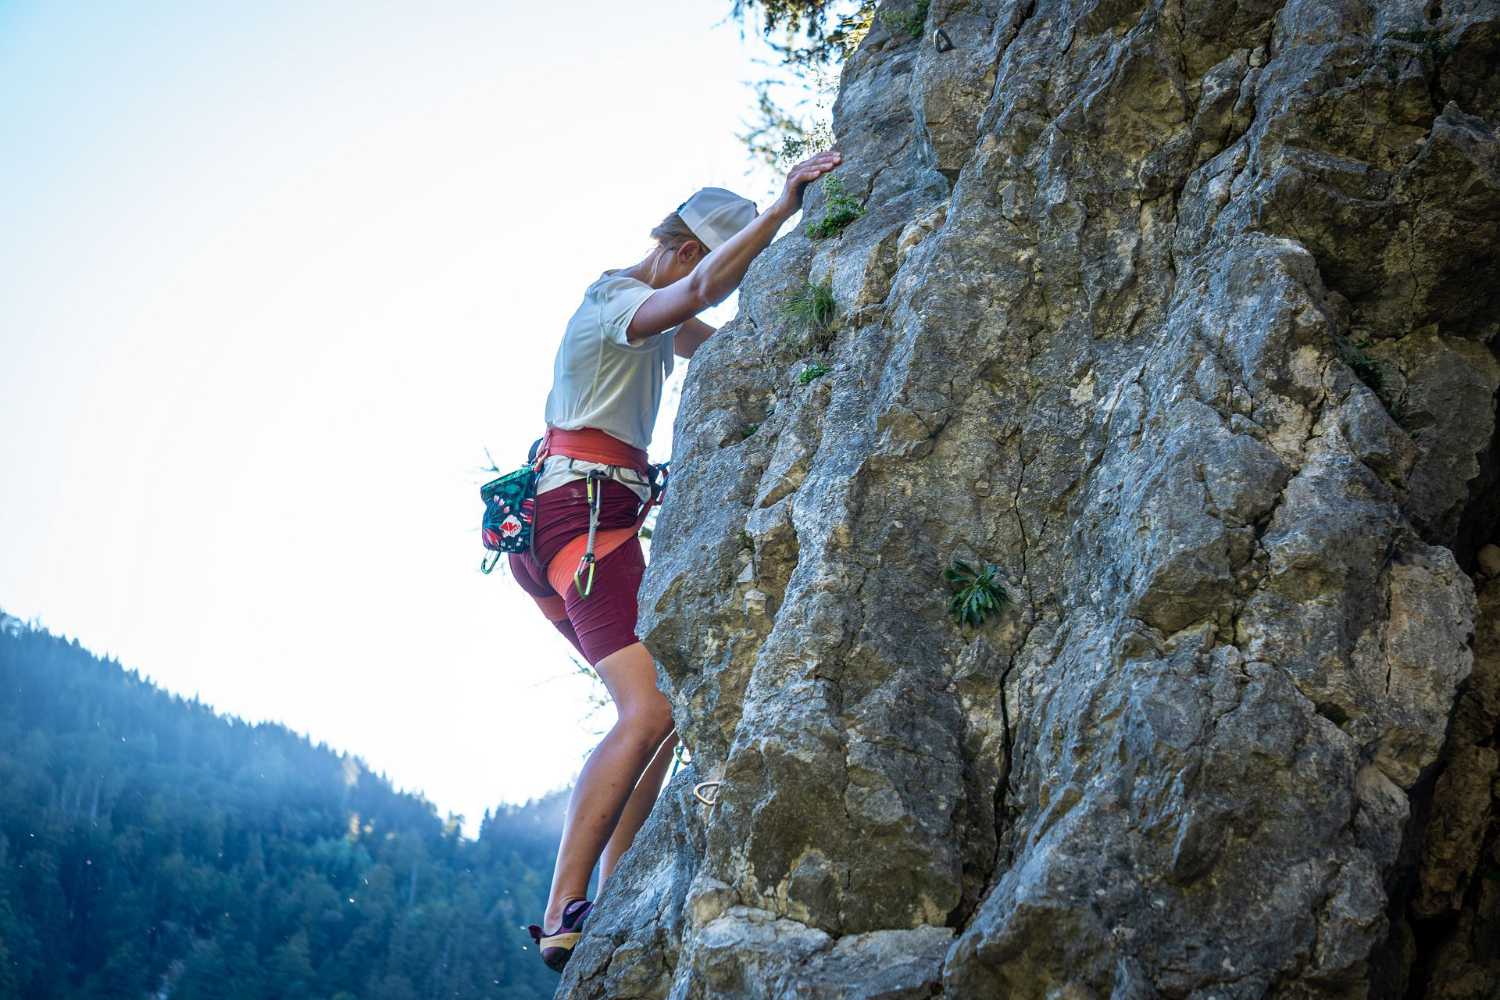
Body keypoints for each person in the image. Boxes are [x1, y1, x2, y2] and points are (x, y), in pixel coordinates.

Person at [511, 149, 843, 972]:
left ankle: (613, 888)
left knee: (662, 710)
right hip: (582, 523)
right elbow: (698, 298)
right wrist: (783, 210)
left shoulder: (636, 312)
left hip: (582, 523)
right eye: (703, 259)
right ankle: (561, 908)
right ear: (685, 248)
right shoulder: (616, 304)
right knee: (651, 709)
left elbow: (719, 338)